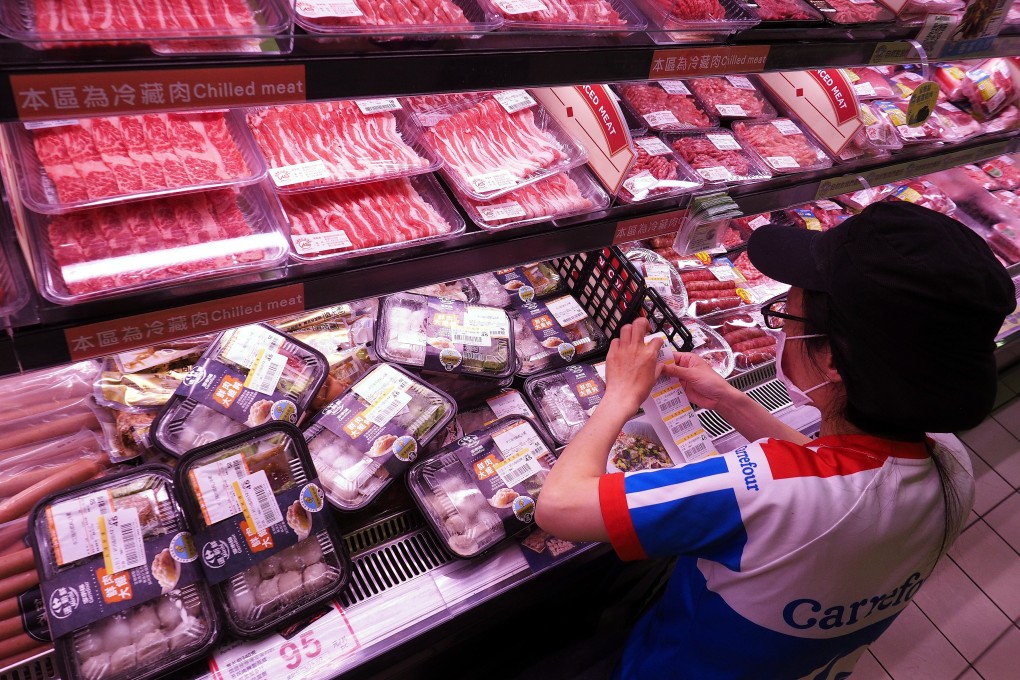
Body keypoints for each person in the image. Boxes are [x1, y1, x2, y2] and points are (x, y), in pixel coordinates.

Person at [535, 202, 1016, 679]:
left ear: (832, 360)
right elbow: (835, 472)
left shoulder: (766, 486)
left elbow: (558, 507)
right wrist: (732, 401)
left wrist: (619, 396)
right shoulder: (951, 460)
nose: (782, 321)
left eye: (790, 308)